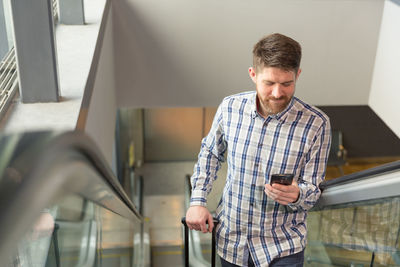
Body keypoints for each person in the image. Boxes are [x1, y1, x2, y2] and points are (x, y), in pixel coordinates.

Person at [185, 33, 331, 267]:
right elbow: (210, 154)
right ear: (253, 75)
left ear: (298, 75)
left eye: (287, 83)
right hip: (232, 243)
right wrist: (198, 200)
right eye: (269, 83)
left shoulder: (317, 124)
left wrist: (298, 195)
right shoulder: (230, 108)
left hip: (283, 247)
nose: (277, 93)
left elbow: (313, 188)